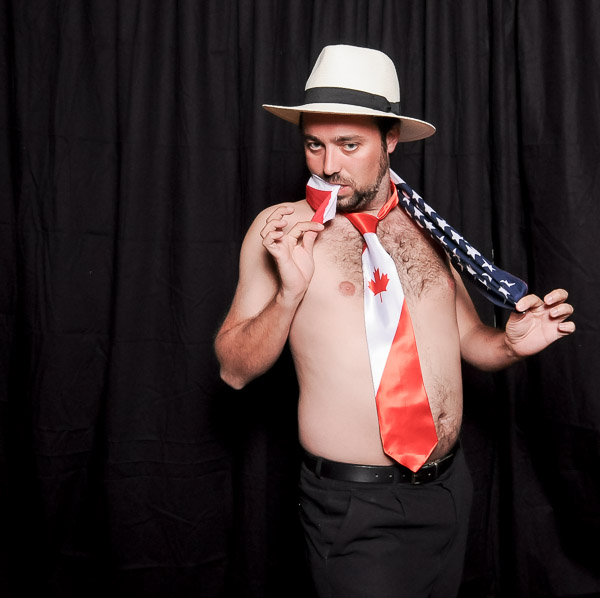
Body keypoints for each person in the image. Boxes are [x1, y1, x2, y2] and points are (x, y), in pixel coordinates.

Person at [214, 44, 575, 597]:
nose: (328, 165)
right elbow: (234, 369)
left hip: (448, 492)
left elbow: (468, 341)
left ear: (390, 139)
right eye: (315, 144)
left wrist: (511, 345)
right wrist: (289, 294)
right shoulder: (281, 231)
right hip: (355, 508)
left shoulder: (430, 228)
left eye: (348, 145)